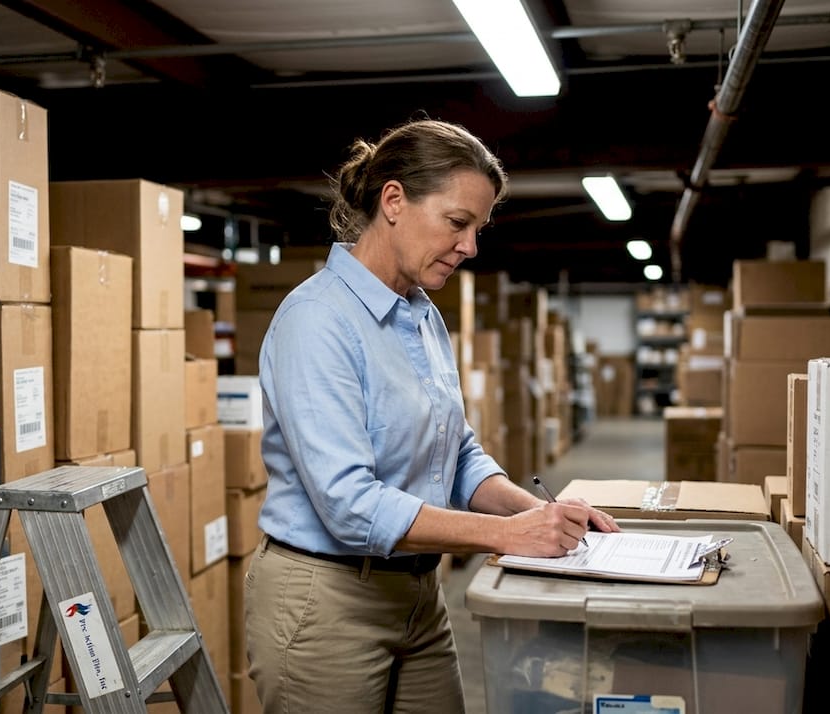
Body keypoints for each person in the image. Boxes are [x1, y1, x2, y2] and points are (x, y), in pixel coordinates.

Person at [243, 118, 620, 714]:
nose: (470, 246)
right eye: (457, 222)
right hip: (327, 601)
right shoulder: (316, 321)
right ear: (393, 201)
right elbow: (348, 502)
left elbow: (459, 452)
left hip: (420, 594)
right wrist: (505, 536)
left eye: (478, 227)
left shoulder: (421, 315)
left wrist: (542, 515)